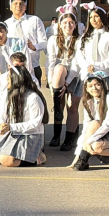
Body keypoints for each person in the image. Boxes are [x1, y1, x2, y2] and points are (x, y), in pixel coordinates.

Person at [0, 67, 48, 167]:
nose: (7, 79)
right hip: (13, 132)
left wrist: (11, 127)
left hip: (29, 134)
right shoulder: (7, 94)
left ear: (16, 79)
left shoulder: (33, 98)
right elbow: (1, 113)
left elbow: (35, 124)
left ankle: (38, 158)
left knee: (6, 161)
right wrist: (1, 124)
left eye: (9, 77)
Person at [46, 10, 81, 150]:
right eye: (65, 22)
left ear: (75, 25)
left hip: (75, 74)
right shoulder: (53, 39)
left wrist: (67, 82)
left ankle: (69, 139)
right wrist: (51, 82)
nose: (68, 25)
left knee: (72, 107)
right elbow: (50, 61)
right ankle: (56, 135)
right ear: (60, 24)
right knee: (59, 104)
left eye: (71, 23)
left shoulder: (79, 40)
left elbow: (77, 64)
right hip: (58, 74)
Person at [3, 0, 48, 82]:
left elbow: (44, 42)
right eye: (15, 3)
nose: (18, 6)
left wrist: (34, 47)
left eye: (21, 4)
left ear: (26, 7)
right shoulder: (6, 24)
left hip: (33, 65)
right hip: (13, 66)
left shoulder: (35, 20)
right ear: (10, 7)